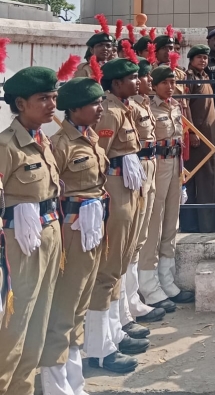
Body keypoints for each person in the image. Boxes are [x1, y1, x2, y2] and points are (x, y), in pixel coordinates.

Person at [39, 77, 112, 394]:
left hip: (92, 229)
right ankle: (54, 383)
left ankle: (74, 379)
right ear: (76, 109)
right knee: (64, 308)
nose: (100, 109)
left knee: (79, 305)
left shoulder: (90, 138)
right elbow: (48, 193)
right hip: (71, 231)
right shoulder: (61, 145)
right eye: (94, 104)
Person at [0, 66, 62, 395]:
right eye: (43, 98)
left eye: (54, 97)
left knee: (39, 324)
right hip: (18, 244)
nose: (52, 104)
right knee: (14, 325)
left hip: (49, 234)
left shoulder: (43, 140)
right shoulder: (6, 146)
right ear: (21, 103)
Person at [85, 57, 148, 372]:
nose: (137, 82)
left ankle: (113, 333)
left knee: (119, 265)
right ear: (115, 83)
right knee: (108, 269)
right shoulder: (109, 111)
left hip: (129, 189)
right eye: (131, 78)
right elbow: (100, 156)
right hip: (115, 190)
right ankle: (98, 346)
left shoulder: (123, 107)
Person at [138, 65, 194, 308]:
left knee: (172, 221)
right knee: (154, 222)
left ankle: (167, 278)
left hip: (174, 165)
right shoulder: (148, 107)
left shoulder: (174, 105)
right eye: (165, 83)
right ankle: (148, 284)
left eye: (173, 82)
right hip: (157, 166)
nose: (170, 87)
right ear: (154, 85)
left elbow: (180, 142)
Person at [122, 59, 164, 327]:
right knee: (131, 240)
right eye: (142, 77)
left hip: (150, 167)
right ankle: (126, 305)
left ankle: (133, 300)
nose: (144, 81)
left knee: (143, 235)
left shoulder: (143, 105)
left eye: (144, 77)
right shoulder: (123, 110)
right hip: (132, 173)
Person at [184, 45, 215, 231]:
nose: (203, 61)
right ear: (191, 59)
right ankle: (191, 225)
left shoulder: (205, 76)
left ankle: (209, 223)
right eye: (199, 57)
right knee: (192, 181)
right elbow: (185, 106)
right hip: (197, 138)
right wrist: (191, 132)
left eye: (205, 58)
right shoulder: (188, 78)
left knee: (209, 179)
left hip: (209, 136)